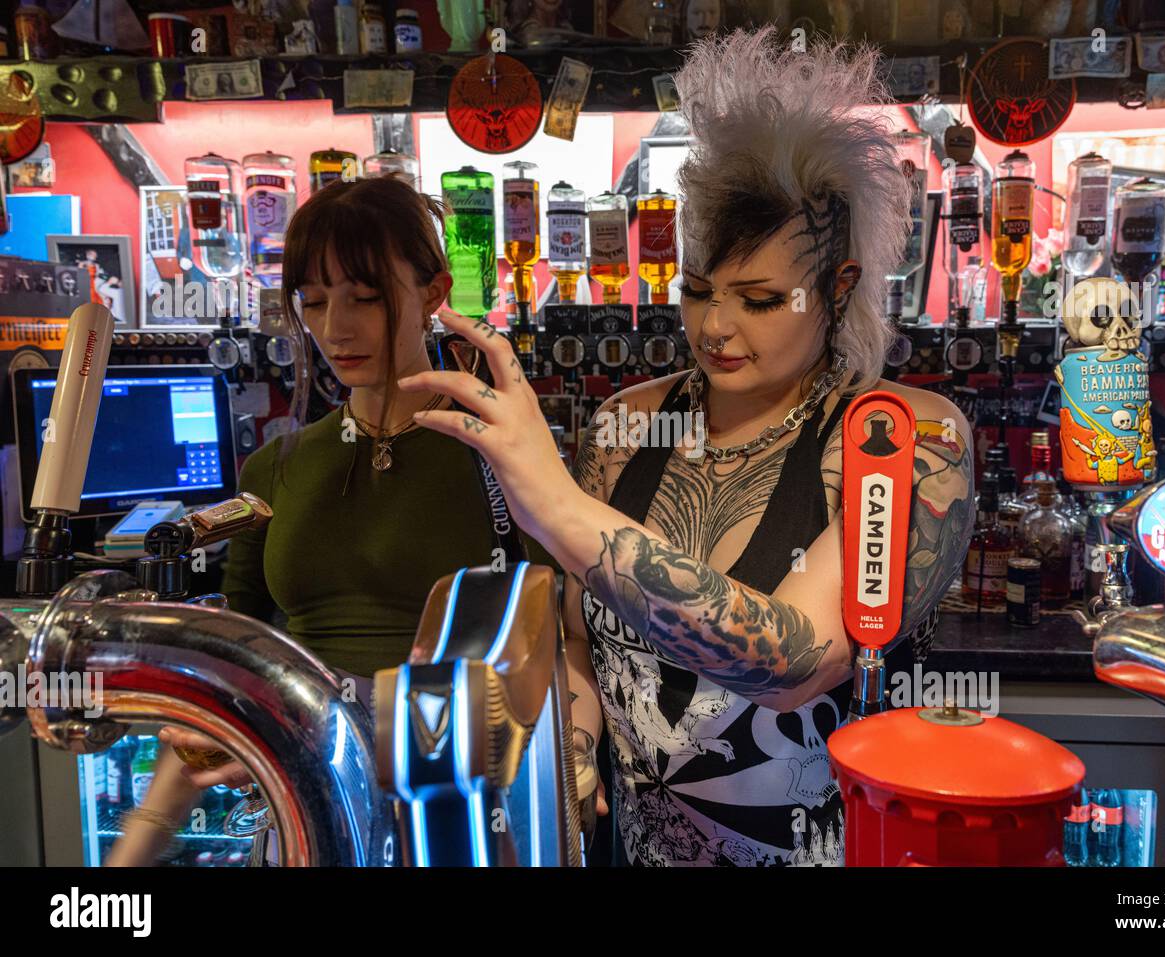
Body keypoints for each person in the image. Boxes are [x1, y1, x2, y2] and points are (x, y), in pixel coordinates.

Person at [401, 28, 976, 866]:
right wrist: (574, 744)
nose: (715, 326)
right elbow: (581, 639)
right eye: (699, 290)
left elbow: (791, 659)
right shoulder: (627, 425)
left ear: (839, 286)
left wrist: (556, 504)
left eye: (762, 298)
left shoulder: (903, 438)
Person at [108, 176, 558, 866]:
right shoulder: (277, 469)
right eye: (313, 301)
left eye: (365, 297)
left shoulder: (500, 457)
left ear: (433, 295)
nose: (334, 328)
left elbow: (562, 645)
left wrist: (577, 755)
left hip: (457, 819)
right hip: (307, 817)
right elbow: (237, 667)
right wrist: (130, 855)